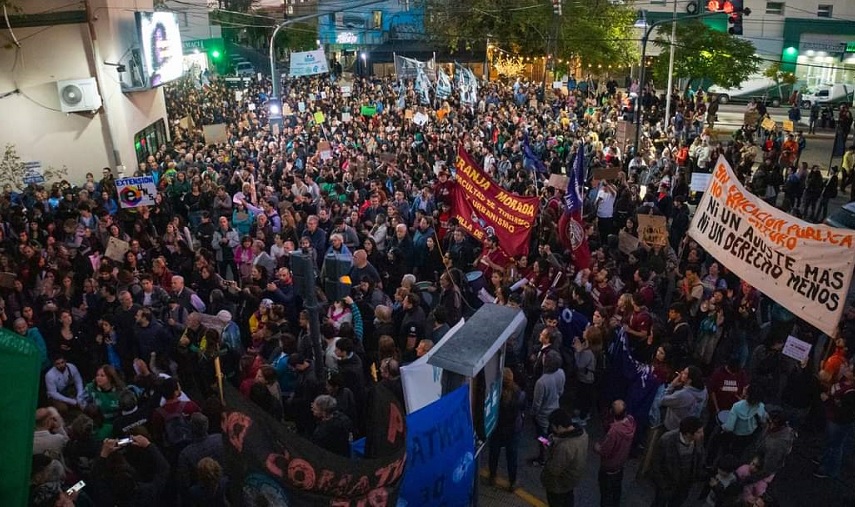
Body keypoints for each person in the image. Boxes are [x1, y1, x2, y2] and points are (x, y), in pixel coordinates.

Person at [651, 416, 706, 507]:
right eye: (698, 432)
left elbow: (700, 457)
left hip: (684, 486)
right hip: (667, 485)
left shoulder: (698, 440)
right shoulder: (667, 440)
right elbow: (656, 464)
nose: (702, 434)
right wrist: (663, 485)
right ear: (688, 434)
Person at [488, 367, 526, 492]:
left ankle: (492, 476)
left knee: (494, 453)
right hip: (513, 430)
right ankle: (512, 482)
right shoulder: (519, 394)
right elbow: (523, 408)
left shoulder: (496, 394)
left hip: (497, 427)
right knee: (512, 456)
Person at [540, 408, 588, 507]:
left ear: (560, 427)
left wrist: (550, 449)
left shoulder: (564, 447)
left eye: (554, 427)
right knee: (569, 500)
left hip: (558, 485)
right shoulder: (583, 435)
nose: (553, 429)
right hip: (571, 480)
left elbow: (554, 469)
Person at [594, 400, 636, 507]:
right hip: (620, 464)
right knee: (617, 489)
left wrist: (597, 447)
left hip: (609, 467)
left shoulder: (614, 431)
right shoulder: (631, 422)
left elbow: (605, 451)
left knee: (605, 494)